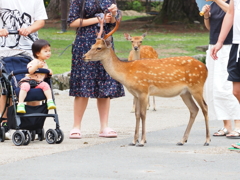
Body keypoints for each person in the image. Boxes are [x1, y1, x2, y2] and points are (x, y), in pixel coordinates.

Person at [67, 0, 125, 139]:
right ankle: (76, 126)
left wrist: (113, 16)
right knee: (83, 84)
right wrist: (98, 19)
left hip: (105, 44)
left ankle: (104, 126)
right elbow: (72, 22)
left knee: (104, 83)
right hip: (85, 42)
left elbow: (112, 23)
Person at [0, 0, 48, 139]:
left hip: (29, 51)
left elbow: (40, 21)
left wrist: (29, 29)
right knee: (6, 86)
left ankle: (33, 123)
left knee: (34, 84)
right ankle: (5, 122)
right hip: (4, 50)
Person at [203, 0, 240, 138]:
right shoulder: (213, 4)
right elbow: (210, 27)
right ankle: (226, 125)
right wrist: (206, 15)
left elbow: (233, 13)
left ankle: (238, 124)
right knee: (215, 87)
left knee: (229, 86)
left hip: (230, 46)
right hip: (214, 46)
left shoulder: (231, 2)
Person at [17, 39, 56, 113]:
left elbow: (44, 75)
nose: (49, 53)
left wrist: (49, 72)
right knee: (25, 86)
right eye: (46, 51)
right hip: (28, 81)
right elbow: (30, 71)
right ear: (38, 53)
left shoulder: (44, 63)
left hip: (38, 82)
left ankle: (50, 100)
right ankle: (20, 104)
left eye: (49, 51)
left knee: (46, 85)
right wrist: (37, 66)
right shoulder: (34, 62)